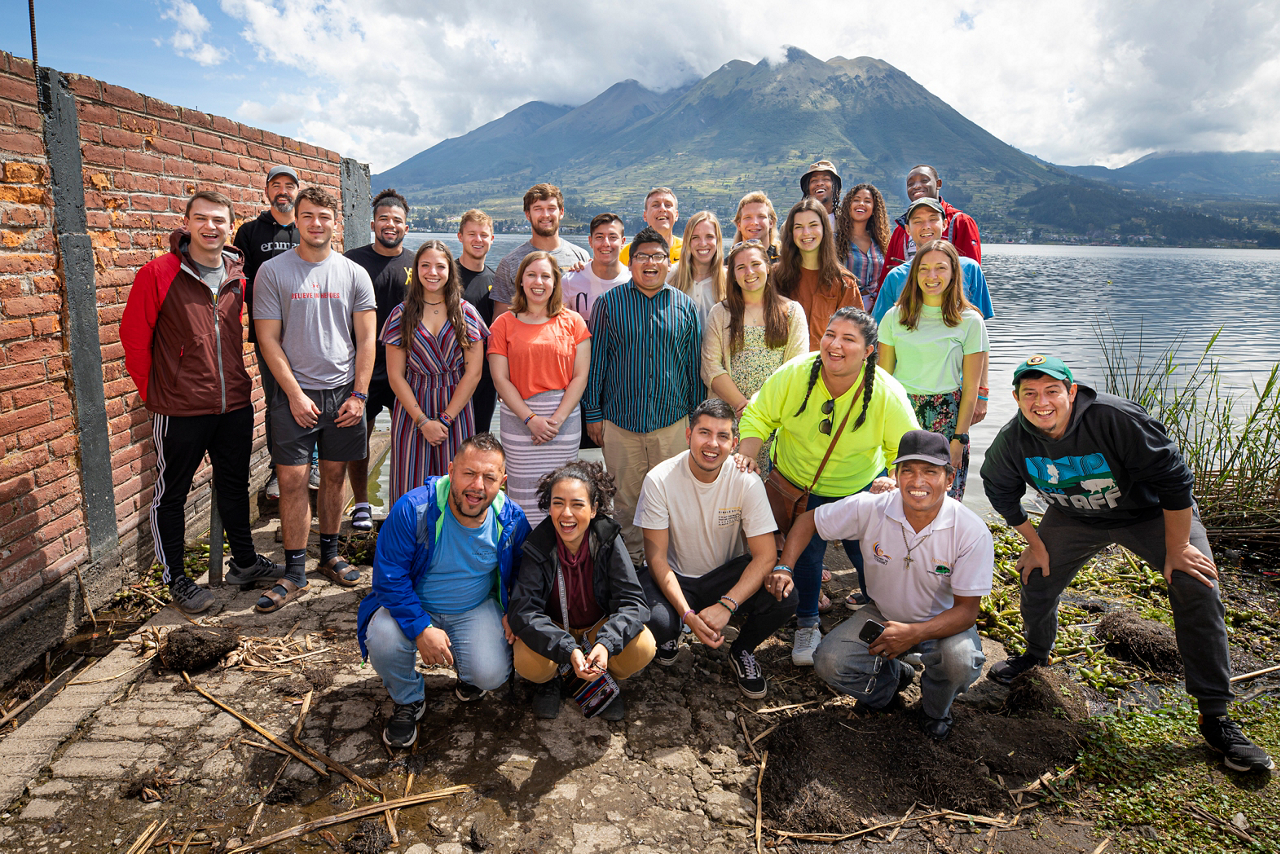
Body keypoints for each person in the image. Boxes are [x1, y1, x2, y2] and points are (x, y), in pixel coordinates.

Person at [981, 356, 1274, 773]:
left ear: (1072, 392)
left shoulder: (1114, 418)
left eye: (1051, 391)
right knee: (1036, 576)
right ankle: (1036, 655)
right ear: (1016, 398)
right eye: (1029, 393)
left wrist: (1177, 548)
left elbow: (1175, 480)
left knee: (1197, 586)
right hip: (1075, 516)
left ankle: (1215, 717)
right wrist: (1034, 544)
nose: (1040, 402)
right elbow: (1000, 491)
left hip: (1152, 515)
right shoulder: (1013, 441)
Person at [121, 190, 284, 613]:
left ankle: (245, 563)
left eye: (219, 220)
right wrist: (155, 394)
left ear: (231, 226)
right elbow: (135, 341)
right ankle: (176, 577)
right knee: (171, 493)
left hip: (233, 403)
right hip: (179, 407)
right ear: (188, 222)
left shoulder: (238, 274)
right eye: (202, 219)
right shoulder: (158, 273)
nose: (210, 227)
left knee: (234, 483)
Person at [780, 430, 993, 740]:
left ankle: (935, 711)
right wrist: (784, 567)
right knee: (829, 661)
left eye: (930, 472)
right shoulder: (872, 507)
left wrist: (913, 635)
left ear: (949, 478)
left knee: (959, 661)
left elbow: (967, 612)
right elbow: (808, 521)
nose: (917, 481)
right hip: (882, 613)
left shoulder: (971, 531)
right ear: (896, 474)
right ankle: (888, 689)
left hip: (943, 622)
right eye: (908, 470)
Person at [738, 308, 919, 665]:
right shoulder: (796, 373)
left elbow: (909, 448)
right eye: (830, 335)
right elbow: (758, 414)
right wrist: (747, 455)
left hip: (858, 490)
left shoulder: (886, 393)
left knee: (870, 556)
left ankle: (886, 619)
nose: (835, 345)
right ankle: (807, 624)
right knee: (805, 556)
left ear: (869, 351)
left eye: (848, 339)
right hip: (797, 485)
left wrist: (892, 478)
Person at [357, 434, 531, 748]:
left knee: (491, 675)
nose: (477, 486)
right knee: (382, 636)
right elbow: (389, 578)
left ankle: (468, 673)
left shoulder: (512, 520)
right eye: (469, 473)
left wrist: (514, 611)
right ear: (451, 470)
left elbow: (524, 575)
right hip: (415, 605)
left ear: (502, 482)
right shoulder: (413, 509)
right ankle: (409, 698)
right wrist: (421, 627)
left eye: (489, 477)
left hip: (474, 607)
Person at [254, 187, 377, 612]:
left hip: (344, 393)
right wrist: (293, 394)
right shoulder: (272, 272)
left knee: (334, 476)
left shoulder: (353, 273)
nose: (316, 224)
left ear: (335, 222)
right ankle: (294, 571)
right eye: (308, 216)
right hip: (294, 395)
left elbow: (366, 339)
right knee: (290, 481)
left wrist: (360, 395)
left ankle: (328, 555)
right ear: (297, 220)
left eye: (324, 216)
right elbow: (268, 340)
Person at [637, 399, 797, 698]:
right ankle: (672, 632)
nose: (713, 444)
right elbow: (656, 556)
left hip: (724, 576)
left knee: (785, 596)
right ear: (688, 435)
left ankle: (742, 649)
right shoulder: (659, 479)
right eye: (704, 432)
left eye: (723, 436)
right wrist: (687, 616)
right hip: (675, 577)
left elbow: (765, 556)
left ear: (734, 443)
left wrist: (727, 605)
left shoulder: (746, 481)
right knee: (654, 621)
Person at [583, 227, 703, 563]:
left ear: (669, 262)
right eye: (642, 256)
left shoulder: (686, 307)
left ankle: (671, 564)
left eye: (657, 256)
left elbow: (692, 368)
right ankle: (633, 565)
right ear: (631, 262)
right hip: (621, 422)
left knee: (673, 495)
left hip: (672, 423)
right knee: (625, 500)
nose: (650, 262)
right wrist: (593, 413)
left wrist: (696, 422)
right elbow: (598, 363)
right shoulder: (609, 304)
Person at [508, 461, 655, 720]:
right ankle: (550, 680)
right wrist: (566, 648)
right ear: (548, 506)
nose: (566, 514)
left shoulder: (608, 540)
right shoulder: (538, 544)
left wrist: (607, 643)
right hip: (555, 630)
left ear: (594, 508)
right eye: (557, 503)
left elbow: (633, 602)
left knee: (643, 645)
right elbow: (523, 611)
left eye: (577, 504)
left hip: (598, 628)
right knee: (526, 659)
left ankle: (601, 673)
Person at [488, 252, 591, 527]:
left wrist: (555, 420)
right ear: (520, 281)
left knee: (563, 493)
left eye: (546, 276)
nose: (538, 281)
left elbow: (580, 377)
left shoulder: (573, 322)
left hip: (563, 423)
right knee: (523, 496)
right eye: (531, 274)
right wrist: (531, 420)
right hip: (519, 422)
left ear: (555, 282)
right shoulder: (503, 324)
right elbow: (500, 379)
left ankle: (562, 558)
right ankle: (524, 559)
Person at [878, 240, 987, 500]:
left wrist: (959, 438)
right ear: (914, 274)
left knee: (942, 498)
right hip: (900, 412)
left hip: (947, 416)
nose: (932, 276)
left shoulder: (970, 321)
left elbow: (971, 387)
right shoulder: (894, 317)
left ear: (953, 273)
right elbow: (882, 380)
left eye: (940, 268)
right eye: (924, 269)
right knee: (897, 494)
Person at [383, 240, 488, 502]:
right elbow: (395, 376)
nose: (433, 272)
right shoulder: (401, 314)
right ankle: (409, 543)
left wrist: (445, 419)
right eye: (425, 265)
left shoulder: (467, 314)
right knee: (409, 486)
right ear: (416, 269)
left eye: (440, 266)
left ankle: (451, 543)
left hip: (456, 406)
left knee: (456, 487)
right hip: (412, 409)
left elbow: (473, 373)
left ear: (450, 271)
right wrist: (423, 421)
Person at [874, 199, 993, 424]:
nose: (926, 226)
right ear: (907, 230)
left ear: (945, 224)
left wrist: (981, 392)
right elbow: (881, 341)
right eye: (917, 221)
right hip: (904, 391)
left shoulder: (970, 270)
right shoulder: (896, 277)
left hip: (955, 392)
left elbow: (981, 343)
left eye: (932, 219)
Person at [343, 189, 414, 531]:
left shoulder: (419, 264)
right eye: (384, 219)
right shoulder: (351, 261)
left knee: (407, 439)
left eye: (397, 220)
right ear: (373, 224)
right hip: (363, 368)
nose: (390, 225)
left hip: (406, 369)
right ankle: (360, 503)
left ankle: (406, 501)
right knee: (359, 436)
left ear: (406, 226)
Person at [233, 164, 302, 499]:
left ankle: (312, 463)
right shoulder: (249, 233)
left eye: (290, 185)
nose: (283, 191)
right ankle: (279, 469)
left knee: (314, 393)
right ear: (267, 192)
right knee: (278, 399)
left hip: (308, 332)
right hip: (268, 335)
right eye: (277, 185)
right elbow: (239, 282)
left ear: (297, 192)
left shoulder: (308, 231)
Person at [702, 240, 807, 419]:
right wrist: (744, 406)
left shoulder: (792, 312)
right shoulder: (720, 313)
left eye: (755, 264)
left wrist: (763, 408)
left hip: (775, 415)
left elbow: (796, 367)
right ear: (733, 275)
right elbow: (710, 367)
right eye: (741, 267)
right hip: (730, 416)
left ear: (767, 267)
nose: (749, 272)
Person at [773, 198, 864, 351]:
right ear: (791, 232)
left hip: (826, 369)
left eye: (813, 225)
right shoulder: (775, 277)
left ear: (824, 229)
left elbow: (855, 338)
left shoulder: (844, 283)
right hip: (784, 369)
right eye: (798, 227)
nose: (806, 232)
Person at [491, 184, 590, 317]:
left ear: (561, 212)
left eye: (551, 208)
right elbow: (500, 322)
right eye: (538, 209)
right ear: (528, 214)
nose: (545, 215)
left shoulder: (581, 257)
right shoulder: (510, 263)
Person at [883, 164, 981, 283]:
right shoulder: (901, 228)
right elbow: (886, 275)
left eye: (924, 180)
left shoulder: (961, 222)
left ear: (938, 184)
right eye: (910, 184)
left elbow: (971, 275)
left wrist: (918, 271)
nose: (917, 186)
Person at [456, 210, 499, 432]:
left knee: (479, 438)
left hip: (485, 379)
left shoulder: (496, 281)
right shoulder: (446, 276)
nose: (478, 240)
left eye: (483, 234)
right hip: (451, 376)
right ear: (460, 236)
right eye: (471, 233)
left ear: (492, 239)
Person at [561, 212, 628, 323]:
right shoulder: (570, 281)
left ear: (623, 242)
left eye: (612, 237)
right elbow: (561, 327)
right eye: (599, 237)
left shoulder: (633, 281)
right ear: (590, 241)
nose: (606, 243)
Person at [834, 183, 891, 314]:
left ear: (874, 209)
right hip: (845, 309)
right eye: (856, 200)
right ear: (848, 206)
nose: (861, 204)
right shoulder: (835, 241)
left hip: (877, 311)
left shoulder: (881, 243)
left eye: (867, 201)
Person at [669, 211, 728, 322]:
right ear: (687, 241)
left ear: (718, 240)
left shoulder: (729, 282)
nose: (703, 243)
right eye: (695, 237)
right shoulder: (670, 275)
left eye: (709, 236)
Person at [619, 187, 682, 265]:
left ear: (676, 215)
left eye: (668, 205)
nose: (662, 209)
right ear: (645, 216)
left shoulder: (688, 250)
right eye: (656, 205)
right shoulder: (626, 253)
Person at [731, 191, 781, 262]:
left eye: (761, 216)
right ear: (739, 225)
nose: (754, 223)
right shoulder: (728, 265)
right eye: (748, 217)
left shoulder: (785, 263)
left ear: (770, 223)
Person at [799, 159, 842, 224]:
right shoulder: (795, 222)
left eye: (826, 179)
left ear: (835, 186)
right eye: (814, 180)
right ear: (807, 188)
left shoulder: (846, 221)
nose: (819, 183)